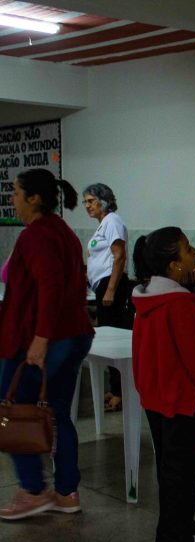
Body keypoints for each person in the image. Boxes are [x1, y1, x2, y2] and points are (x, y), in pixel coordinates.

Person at [0, 168, 94, 520]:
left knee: (15, 411)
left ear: (33, 198)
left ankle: (34, 491)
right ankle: (67, 492)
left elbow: (51, 288)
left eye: (15, 193)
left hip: (44, 340)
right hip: (73, 334)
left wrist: (40, 340)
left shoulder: (37, 236)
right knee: (57, 415)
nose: (12, 199)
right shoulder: (62, 232)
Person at [131, 227, 195, 542]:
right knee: (182, 470)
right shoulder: (182, 304)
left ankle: (184, 523)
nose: (194, 252)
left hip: (155, 397)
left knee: (171, 466)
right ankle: (172, 539)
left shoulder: (146, 298)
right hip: (182, 400)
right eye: (186, 249)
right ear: (174, 265)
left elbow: (140, 350)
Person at [84, 183, 130, 412]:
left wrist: (110, 290)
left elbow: (119, 256)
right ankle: (115, 388)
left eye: (91, 201)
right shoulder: (103, 225)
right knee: (109, 340)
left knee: (114, 342)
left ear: (103, 200)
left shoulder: (112, 221)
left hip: (112, 287)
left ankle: (121, 393)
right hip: (101, 286)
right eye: (85, 202)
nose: (87, 206)